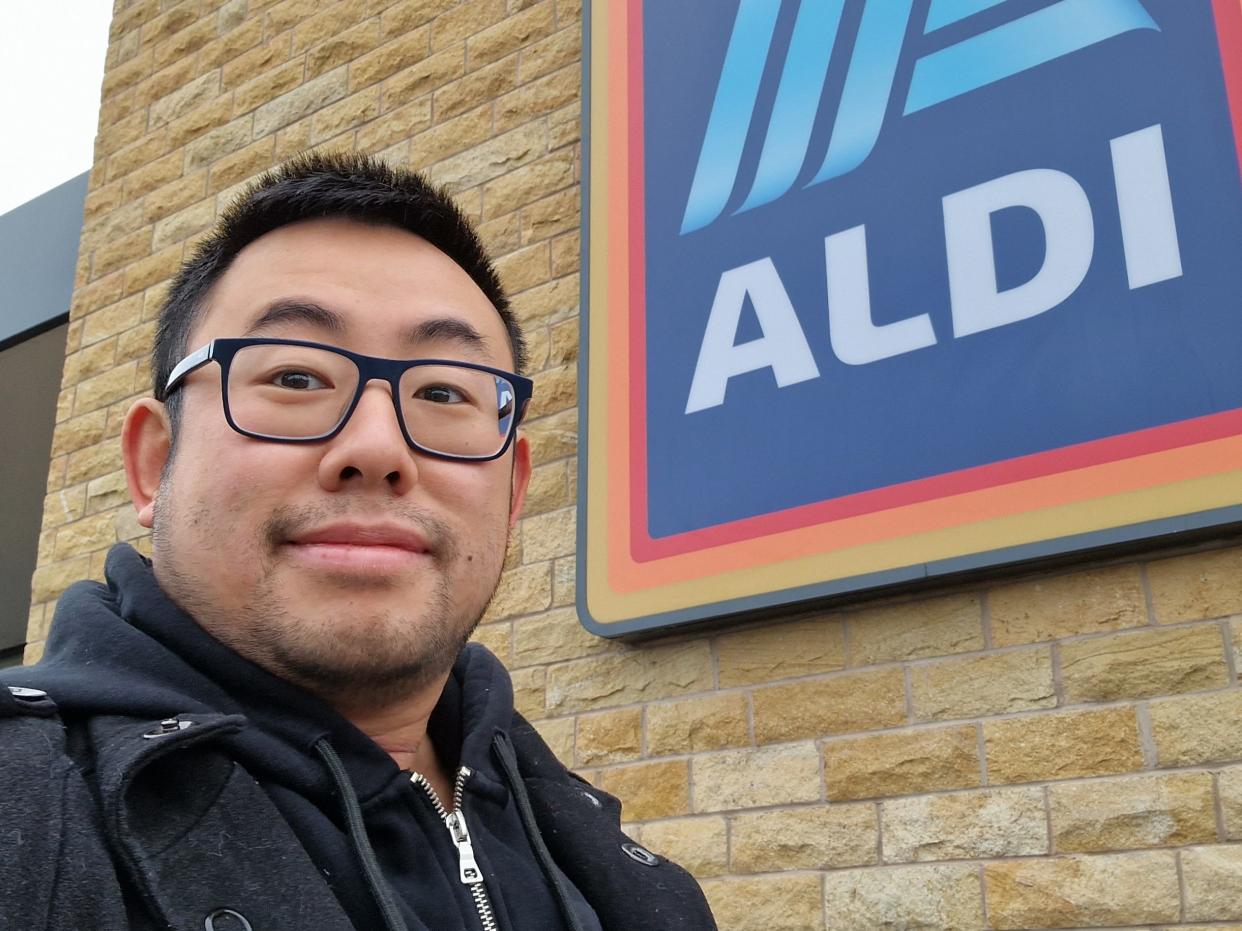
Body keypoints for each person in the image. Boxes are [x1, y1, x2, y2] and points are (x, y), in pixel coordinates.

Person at [0, 154, 716, 931]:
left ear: (512, 492)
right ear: (153, 462)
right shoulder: (27, 814)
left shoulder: (620, 874)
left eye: (443, 392)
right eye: (298, 378)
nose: (378, 448)